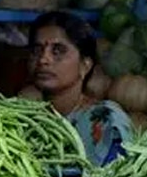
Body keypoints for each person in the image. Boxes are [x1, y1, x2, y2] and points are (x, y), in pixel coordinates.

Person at [28, 11, 134, 166]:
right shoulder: (26, 121)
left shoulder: (107, 119)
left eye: (58, 51)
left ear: (85, 65)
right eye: (37, 50)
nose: (43, 59)